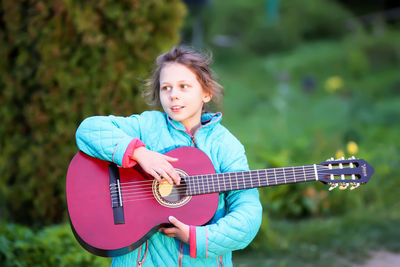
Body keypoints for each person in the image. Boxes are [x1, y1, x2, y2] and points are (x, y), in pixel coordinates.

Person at [75, 46, 262, 267]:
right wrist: (138, 153)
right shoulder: (147, 126)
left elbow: (248, 216)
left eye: (184, 86)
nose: (173, 95)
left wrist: (198, 238)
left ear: (206, 93)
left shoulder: (226, 146)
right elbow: (89, 129)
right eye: (166, 88)